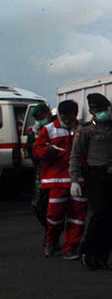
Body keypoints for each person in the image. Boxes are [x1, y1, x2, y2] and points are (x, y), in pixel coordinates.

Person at [70, 93, 112, 270]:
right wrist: (74, 179)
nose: (101, 112)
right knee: (99, 214)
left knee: (110, 216)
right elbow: (75, 155)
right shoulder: (86, 130)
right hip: (95, 175)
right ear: (91, 110)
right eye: (97, 109)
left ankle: (101, 257)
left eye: (104, 109)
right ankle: (86, 250)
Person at [33, 100, 85, 260]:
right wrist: (48, 151)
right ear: (59, 115)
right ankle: (51, 241)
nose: (67, 119)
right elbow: (36, 151)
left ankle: (70, 248)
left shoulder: (82, 129)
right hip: (56, 181)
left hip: (79, 180)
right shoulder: (49, 130)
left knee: (78, 216)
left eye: (70, 116)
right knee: (54, 216)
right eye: (64, 116)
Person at [25, 102, 52, 241]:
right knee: (39, 207)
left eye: (42, 116)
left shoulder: (56, 127)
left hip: (56, 172)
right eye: (38, 117)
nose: (41, 119)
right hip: (41, 173)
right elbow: (29, 152)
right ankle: (50, 231)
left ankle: (51, 237)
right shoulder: (34, 132)